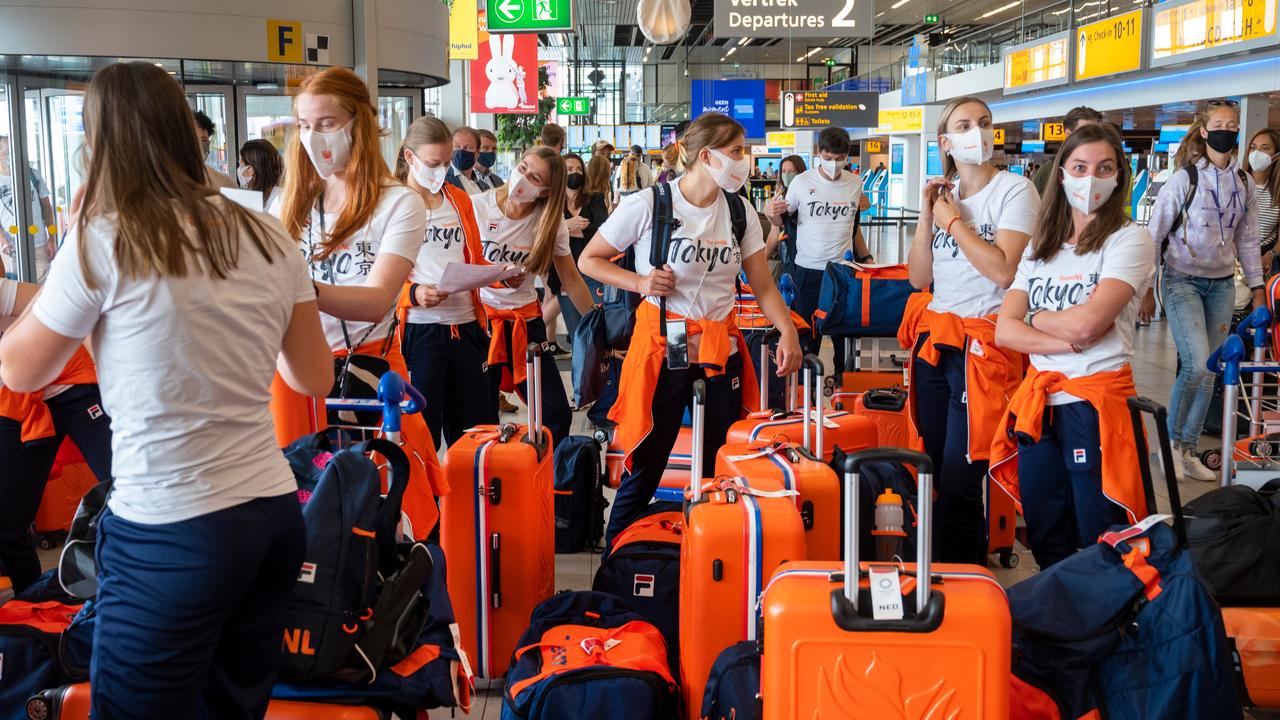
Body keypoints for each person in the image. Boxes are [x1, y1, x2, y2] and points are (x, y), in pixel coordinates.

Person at [0, 61, 333, 718]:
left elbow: (20, 371)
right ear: (187, 133)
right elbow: (311, 377)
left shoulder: (105, 239)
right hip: (271, 515)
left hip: (171, 524)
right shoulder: (268, 235)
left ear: (96, 146)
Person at [580, 112, 803, 550]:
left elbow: (760, 283)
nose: (744, 160)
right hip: (665, 345)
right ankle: (616, 560)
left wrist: (788, 331)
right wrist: (640, 282)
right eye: (737, 151)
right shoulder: (650, 203)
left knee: (717, 458)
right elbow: (591, 259)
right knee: (648, 460)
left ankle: (707, 557)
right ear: (706, 155)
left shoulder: (740, 212)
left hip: (720, 348)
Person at [271, 66, 447, 538]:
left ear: (360, 124)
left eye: (326, 123)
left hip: (366, 378)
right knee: (299, 517)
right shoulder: (289, 202)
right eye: (304, 125)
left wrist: (294, 287)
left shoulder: (397, 204)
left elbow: (375, 300)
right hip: (290, 374)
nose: (312, 137)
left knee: (390, 515)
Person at [989, 123, 1155, 569]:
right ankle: (1059, 627)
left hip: (1096, 403)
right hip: (1040, 403)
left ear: (1119, 176)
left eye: (1104, 168)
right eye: (1079, 167)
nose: (1090, 179)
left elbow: (1090, 324)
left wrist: (1036, 318)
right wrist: (1061, 333)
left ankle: (1105, 626)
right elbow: (1005, 331)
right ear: (1061, 174)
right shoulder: (1040, 249)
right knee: (1044, 526)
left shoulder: (1128, 239)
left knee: (1100, 529)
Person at [902, 96, 1038, 565]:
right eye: (964, 125)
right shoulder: (944, 198)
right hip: (937, 341)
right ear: (946, 141)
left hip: (985, 348)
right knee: (938, 469)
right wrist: (929, 214)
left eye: (984, 123)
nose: (977, 132)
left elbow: (1003, 271)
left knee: (965, 472)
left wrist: (954, 222)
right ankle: (945, 567)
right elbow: (920, 278)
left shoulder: (1015, 191)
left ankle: (961, 580)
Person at [1141, 99, 1264, 481]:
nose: (1227, 129)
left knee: (1211, 369)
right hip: (1182, 280)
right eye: (1220, 124)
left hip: (1223, 283)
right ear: (1206, 130)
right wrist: (1147, 287)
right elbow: (1154, 234)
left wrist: (1258, 287)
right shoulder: (1184, 179)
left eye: (1233, 123)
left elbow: (1249, 238)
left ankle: (1187, 448)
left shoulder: (1243, 182)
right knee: (1195, 362)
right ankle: (1170, 444)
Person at [473, 146, 593, 446]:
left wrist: (596, 326)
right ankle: (488, 483)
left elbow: (571, 279)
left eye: (534, 176)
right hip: (480, 322)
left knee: (556, 414)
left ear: (545, 192)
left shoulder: (548, 223)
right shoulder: (476, 206)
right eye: (523, 167)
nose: (522, 177)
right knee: (482, 418)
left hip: (525, 323)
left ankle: (548, 483)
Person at [0, 280, 112, 593]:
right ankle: (30, 606)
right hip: (21, 401)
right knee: (7, 518)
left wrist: (107, 367)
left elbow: (63, 304)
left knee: (130, 486)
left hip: (72, 384)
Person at [394, 116, 497, 449]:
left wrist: (499, 275)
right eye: (432, 163)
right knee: (421, 433)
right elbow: (375, 275)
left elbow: (474, 258)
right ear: (410, 158)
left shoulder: (458, 199)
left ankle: (466, 500)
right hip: (420, 331)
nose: (440, 170)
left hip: (466, 327)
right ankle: (427, 500)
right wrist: (413, 293)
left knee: (473, 431)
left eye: (447, 162)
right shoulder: (391, 205)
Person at [766, 127, 871, 376]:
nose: (834, 164)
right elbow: (783, 222)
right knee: (807, 335)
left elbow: (854, 224)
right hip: (808, 271)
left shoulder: (855, 183)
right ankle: (806, 391)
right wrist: (772, 213)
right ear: (819, 153)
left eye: (839, 158)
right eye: (829, 157)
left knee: (843, 337)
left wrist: (865, 257)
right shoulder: (802, 182)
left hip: (842, 272)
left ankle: (840, 387)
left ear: (847, 156)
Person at [560, 152, 611, 337]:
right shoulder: (553, 202)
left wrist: (564, 231)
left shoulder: (594, 198)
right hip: (563, 274)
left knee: (596, 329)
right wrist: (566, 227)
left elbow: (601, 229)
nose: (576, 173)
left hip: (592, 271)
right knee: (576, 334)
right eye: (570, 169)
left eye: (579, 169)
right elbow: (544, 232)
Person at [0, 135, 57, 281]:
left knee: (40, 292)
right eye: (7, 153)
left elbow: (47, 208)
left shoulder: (32, 174)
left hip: (39, 245)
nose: (11, 156)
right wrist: (3, 241)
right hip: (14, 249)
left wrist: (52, 239)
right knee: (20, 294)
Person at [1032, 107, 1103, 195]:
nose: (1092, 139)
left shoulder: (1106, 171)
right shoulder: (1048, 172)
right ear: (1068, 134)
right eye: (1084, 133)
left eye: (1097, 133)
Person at [1244, 128, 1280, 274]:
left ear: (1276, 155)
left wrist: (1269, 255)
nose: (1257, 152)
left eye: (1265, 148)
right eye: (1253, 147)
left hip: (1264, 260)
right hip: (1231, 258)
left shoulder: (1277, 191)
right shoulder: (1235, 183)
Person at [237, 138, 284, 210]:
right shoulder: (257, 195)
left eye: (240, 165)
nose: (239, 169)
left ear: (250, 170)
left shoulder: (280, 199)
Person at [194, 110, 236, 189]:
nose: (198, 146)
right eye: (193, 140)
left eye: (203, 140)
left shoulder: (224, 183)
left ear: (209, 144)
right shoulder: (168, 182)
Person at [446, 126, 484, 195]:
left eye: (468, 147)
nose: (461, 151)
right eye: (457, 146)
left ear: (477, 154)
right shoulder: (443, 182)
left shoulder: (484, 186)